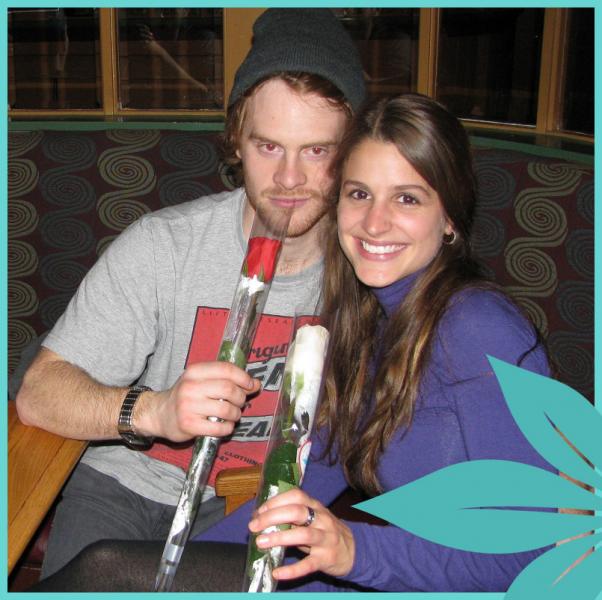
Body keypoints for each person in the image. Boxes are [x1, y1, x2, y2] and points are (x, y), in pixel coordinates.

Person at [29, 94, 556, 593]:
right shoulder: (371, 316)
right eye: (359, 194)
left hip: (403, 578)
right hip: (363, 571)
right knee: (114, 569)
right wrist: (188, 566)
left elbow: (536, 553)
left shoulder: (479, 328)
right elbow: (318, 464)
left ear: (450, 217)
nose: (375, 222)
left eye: (407, 198)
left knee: (108, 571)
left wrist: (353, 549)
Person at [15, 8, 365, 579]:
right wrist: (155, 410)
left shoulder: (371, 271)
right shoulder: (165, 246)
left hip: (253, 501)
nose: (289, 178)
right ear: (237, 141)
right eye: (268, 146)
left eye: (317, 150)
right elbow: (39, 394)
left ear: (352, 151)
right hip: (123, 484)